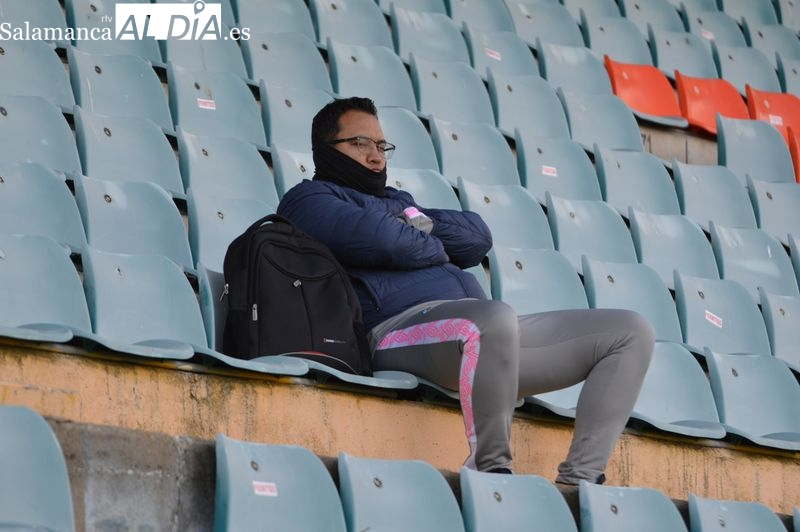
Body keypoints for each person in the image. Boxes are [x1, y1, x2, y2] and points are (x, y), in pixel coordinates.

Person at [276, 96, 655, 485]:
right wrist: (419, 233)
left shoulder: (397, 201)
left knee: (629, 331)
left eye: (381, 145)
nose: (376, 156)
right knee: (491, 318)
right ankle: (491, 470)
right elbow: (389, 242)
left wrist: (413, 227)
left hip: (481, 337)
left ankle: (580, 478)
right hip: (394, 333)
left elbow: (476, 238)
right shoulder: (308, 200)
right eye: (360, 143)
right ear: (328, 148)